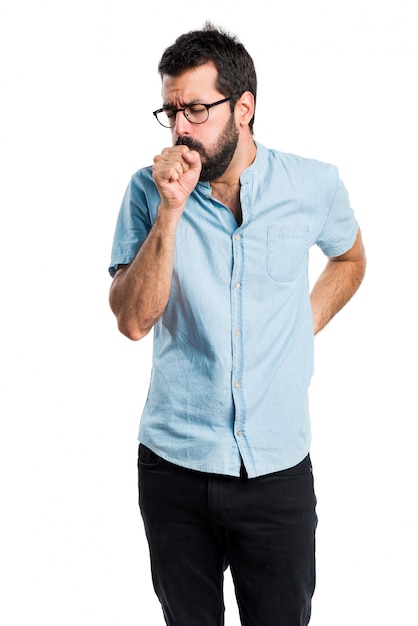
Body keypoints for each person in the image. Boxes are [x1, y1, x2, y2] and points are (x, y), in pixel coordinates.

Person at [108, 22, 366, 626]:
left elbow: (350, 258)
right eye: (170, 111)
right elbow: (132, 321)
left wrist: (301, 323)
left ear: (243, 107)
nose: (180, 128)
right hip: (174, 466)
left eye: (196, 109)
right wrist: (170, 212)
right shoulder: (146, 191)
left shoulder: (313, 184)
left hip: (276, 471)